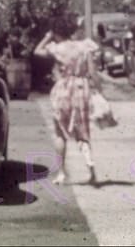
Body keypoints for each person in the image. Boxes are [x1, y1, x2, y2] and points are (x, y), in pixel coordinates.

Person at [34, 13, 101, 185]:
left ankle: (62, 172)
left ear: (56, 32)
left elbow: (37, 51)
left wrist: (47, 36)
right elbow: (93, 72)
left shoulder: (57, 48)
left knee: (60, 133)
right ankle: (91, 168)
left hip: (63, 88)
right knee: (83, 130)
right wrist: (98, 90)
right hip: (81, 87)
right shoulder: (84, 46)